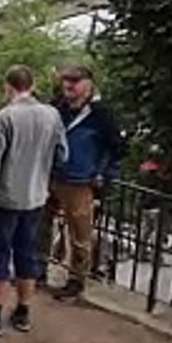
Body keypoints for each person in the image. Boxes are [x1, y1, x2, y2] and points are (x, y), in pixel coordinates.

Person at [0, 66, 68, 337]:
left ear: (8, 87)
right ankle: (22, 313)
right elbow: (62, 155)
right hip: (35, 197)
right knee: (27, 253)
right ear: (32, 86)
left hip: (4, 199)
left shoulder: (3, 118)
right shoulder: (52, 115)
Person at [43, 65, 124, 300]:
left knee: (79, 234)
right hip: (52, 175)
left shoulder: (101, 115)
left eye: (74, 81)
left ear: (88, 84)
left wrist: (103, 175)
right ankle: (37, 270)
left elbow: (118, 148)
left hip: (80, 181)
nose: (68, 85)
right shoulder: (57, 107)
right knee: (40, 223)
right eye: (66, 80)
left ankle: (76, 281)